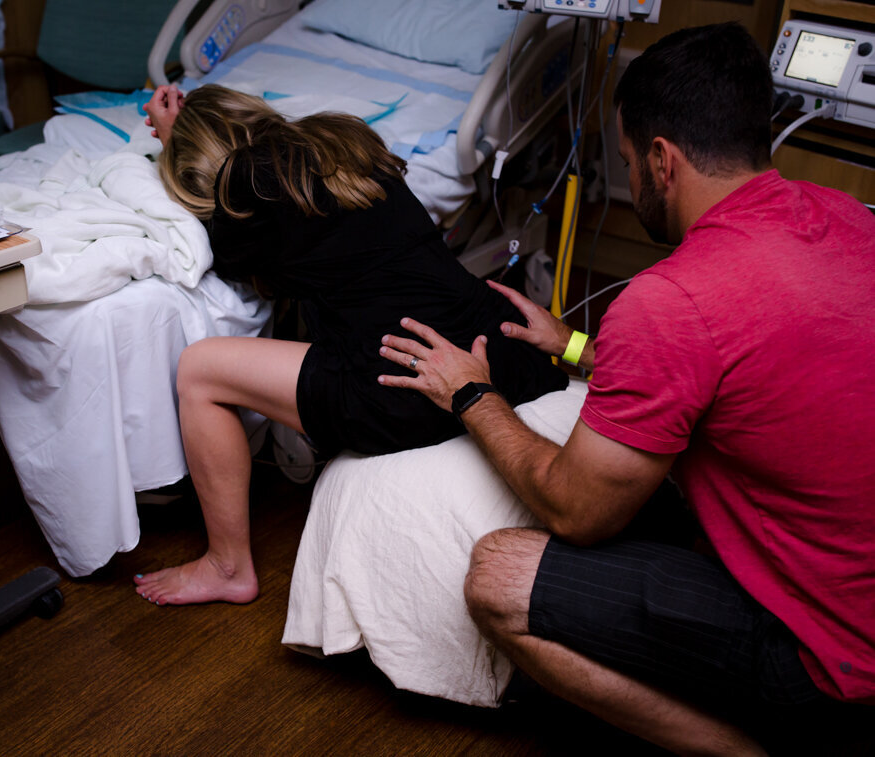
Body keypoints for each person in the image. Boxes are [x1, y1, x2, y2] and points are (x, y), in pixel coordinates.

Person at [377, 23, 874, 756]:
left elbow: (578, 513)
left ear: (662, 161)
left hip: (833, 663)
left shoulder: (671, 298)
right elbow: (745, 365)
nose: (633, 175)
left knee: (498, 576)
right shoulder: (844, 218)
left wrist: (472, 394)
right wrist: (575, 345)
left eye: (629, 157)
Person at [132, 83, 568, 606]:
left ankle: (227, 565)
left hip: (405, 385)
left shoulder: (246, 181)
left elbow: (231, 259)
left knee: (198, 371)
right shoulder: (344, 140)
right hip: (498, 349)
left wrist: (176, 137)